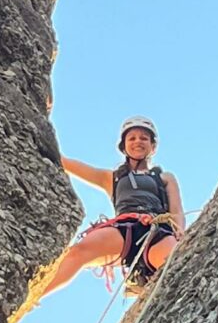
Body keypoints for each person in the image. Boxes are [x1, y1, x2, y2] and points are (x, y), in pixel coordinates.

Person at [45, 116, 186, 296]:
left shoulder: (165, 177)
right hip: (123, 228)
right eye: (132, 138)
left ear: (153, 146)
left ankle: (144, 279)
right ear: (123, 146)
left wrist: (179, 230)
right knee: (78, 252)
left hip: (157, 231)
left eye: (144, 138)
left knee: (175, 265)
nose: (138, 142)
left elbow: (176, 210)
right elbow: (68, 164)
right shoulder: (111, 178)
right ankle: (32, 298)